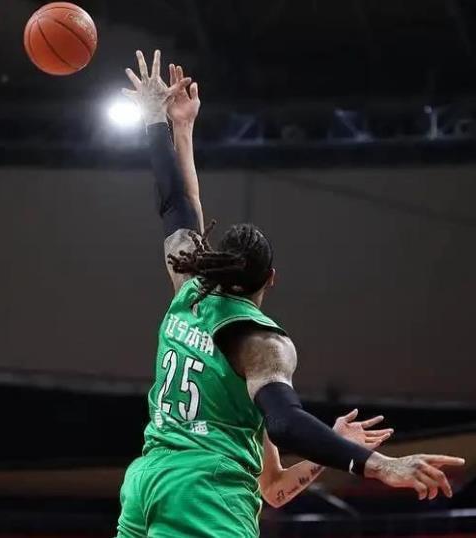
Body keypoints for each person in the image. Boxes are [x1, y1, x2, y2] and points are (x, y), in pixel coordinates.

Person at [116, 50, 465, 538]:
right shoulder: (261, 346)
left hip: (147, 483)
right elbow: (285, 421)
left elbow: (274, 490)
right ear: (271, 278)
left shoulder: (189, 289)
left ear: (214, 264)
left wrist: (167, 123)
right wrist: (380, 464)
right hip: (206, 495)